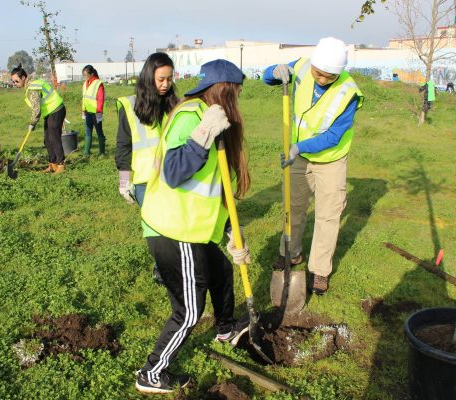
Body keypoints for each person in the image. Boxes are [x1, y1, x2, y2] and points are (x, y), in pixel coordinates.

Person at [136, 59, 250, 394]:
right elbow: (174, 171)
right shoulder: (192, 117)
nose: (238, 102)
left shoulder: (213, 123)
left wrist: (231, 235)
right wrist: (202, 135)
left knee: (221, 271)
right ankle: (151, 374)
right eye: (237, 94)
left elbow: (215, 190)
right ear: (224, 91)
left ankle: (226, 329)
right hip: (175, 228)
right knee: (188, 312)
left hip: (195, 228)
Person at [263, 37, 364, 295]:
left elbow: (333, 136)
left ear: (339, 72)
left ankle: (320, 270)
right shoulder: (302, 66)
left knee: (328, 215)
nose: (321, 79)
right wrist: (274, 71)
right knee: (293, 207)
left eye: (328, 76)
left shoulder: (348, 92)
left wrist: (299, 147)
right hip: (299, 158)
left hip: (331, 159)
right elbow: (267, 78)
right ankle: (291, 254)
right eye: (318, 73)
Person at [114, 52, 179, 284]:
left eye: (169, 79)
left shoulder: (174, 105)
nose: (165, 84)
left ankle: (172, 266)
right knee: (155, 228)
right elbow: (123, 145)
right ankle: (162, 269)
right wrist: (124, 182)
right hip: (144, 180)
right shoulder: (129, 106)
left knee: (172, 224)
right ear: (148, 76)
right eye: (160, 79)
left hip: (172, 175)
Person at [10, 64, 67, 174]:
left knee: (54, 138)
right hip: (50, 112)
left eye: (16, 81)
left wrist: (32, 123)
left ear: (23, 78)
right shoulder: (31, 84)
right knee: (47, 140)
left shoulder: (32, 87)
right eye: (13, 82)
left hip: (56, 110)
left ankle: (61, 165)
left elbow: (36, 109)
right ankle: (52, 164)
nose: (15, 84)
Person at [81, 65, 106, 156]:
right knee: (88, 132)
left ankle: (102, 153)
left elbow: (100, 99)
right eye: (83, 75)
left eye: (86, 75)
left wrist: (99, 112)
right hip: (88, 112)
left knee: (99, 132)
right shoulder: (85, 83)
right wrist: (83, 110)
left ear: (91, 74)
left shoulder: (98, 83)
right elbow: (84, 98)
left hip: (96, 113)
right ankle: (86, 152)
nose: (85, 77)